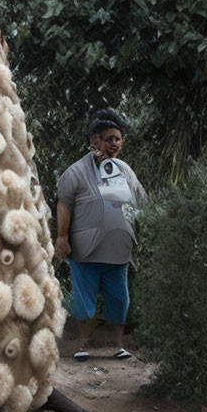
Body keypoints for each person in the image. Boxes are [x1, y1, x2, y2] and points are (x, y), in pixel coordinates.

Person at [54, 108, 147, 361]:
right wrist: (62, 238)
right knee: (84, 300)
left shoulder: (123, 169)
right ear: (94, 140)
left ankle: (118, 346)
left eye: (118, 138)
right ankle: (82, 345)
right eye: (109, 138)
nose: (115, 143)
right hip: (85, 251)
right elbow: (64, 203)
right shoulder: (75, 172)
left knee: (120, 301)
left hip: (118, 252)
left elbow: (138, 201)